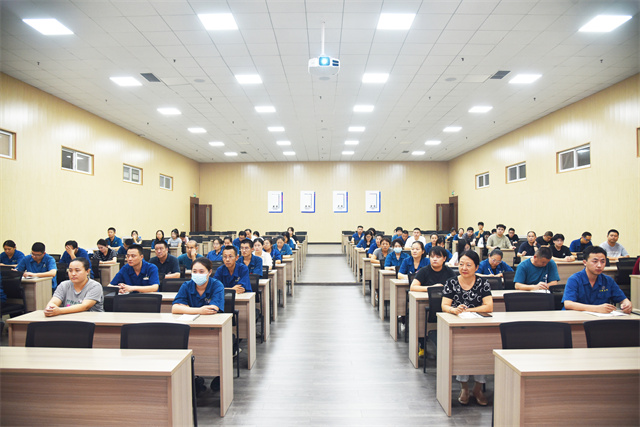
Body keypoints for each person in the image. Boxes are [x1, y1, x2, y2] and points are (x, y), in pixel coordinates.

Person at [441, 250, 492, 406]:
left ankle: (478, 389)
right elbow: (444, 305)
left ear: (476, 267)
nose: (464, 268)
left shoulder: (482, 283)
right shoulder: (451, 282)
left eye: (468, 265)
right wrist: (454, 310)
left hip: (479, 326)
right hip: (458, 326)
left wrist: (468, 310)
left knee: (482, 352)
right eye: (461, 264)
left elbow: (489, 306)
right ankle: (464, 388)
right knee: (461, 351)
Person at [562, 246, 632, 314]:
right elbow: (568, 304)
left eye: (602, 262)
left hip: (600, 319)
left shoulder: (608, 280)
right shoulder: (574, 279)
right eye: (595, 261)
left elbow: (623, 299)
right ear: (585, 262)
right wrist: (596, 308)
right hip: (576, 317)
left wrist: (627, 304)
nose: (599, 265)